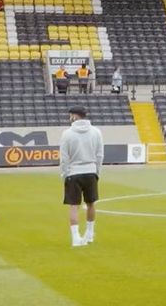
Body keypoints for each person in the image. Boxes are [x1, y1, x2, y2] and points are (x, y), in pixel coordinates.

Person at [59, 106, 104, 247]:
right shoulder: (96, 132)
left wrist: (64, 173)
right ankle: (89, 234)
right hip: (90, 170)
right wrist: (97, 171)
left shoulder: (67, 134)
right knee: (91, 204)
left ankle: (76, 237)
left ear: (75, 116)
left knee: (73, 206)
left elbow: (64, 157)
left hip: (74, 172)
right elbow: (99, 154)